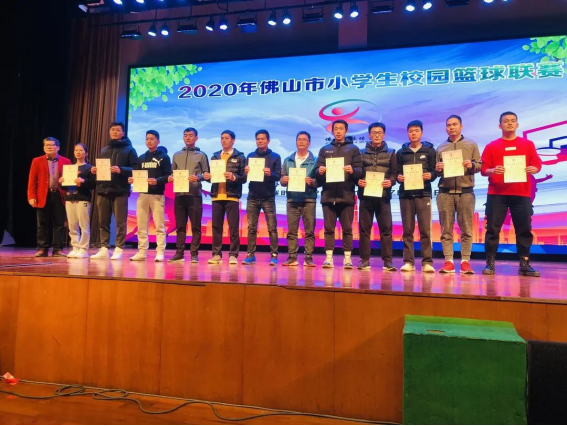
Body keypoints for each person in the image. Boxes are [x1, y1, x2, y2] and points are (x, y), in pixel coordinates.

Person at [481, 112, 543, 277]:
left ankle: (524, 263)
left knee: (524, 229)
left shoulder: (527, 144)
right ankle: (490, 263)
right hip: (497, 194)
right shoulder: (492, 146)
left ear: (517, 125)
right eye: (506, 121)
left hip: (521, 193)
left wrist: (535, 169)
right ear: (499, 125)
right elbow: (483, 169)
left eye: (513, 121)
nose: (509, 123)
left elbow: (537, 163)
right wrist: (492, 170)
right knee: (492, 229)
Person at [435, 115, 482, 275]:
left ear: (461, 126)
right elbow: (436, 172)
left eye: (454, 124)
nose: (451, 127)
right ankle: (448, 261)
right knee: (446, 229)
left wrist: (472, 165)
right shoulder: (441, 147)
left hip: (466, 192)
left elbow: (480, 165)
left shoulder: (471, 144)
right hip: (445, 192)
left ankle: (465, 261)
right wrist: (438, 169)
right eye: (449, 125)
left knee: (466, 229)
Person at [316, 119, 363, 269]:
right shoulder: (324, 150)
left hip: (346, 196)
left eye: (341, 128)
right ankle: (328, 258)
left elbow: (360, 171)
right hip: (328, 196)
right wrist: (319, 171)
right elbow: (316, 172)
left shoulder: (353, 149)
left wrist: (353, 171)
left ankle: (347, 258)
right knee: (329, 229)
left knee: (347, 229)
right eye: (335, 129)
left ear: (346, 131)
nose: (338, 131)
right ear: (332, 131)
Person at [91, 122, 138, 261]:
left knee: (120, 221)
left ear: (123, 133)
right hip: (103, 189)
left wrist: (121, 170)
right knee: (103, 221)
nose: (115, 132)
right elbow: (101, 167)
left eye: (118, 130)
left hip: (120, 190)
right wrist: (95, 170)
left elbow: (136, 169)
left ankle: (119, 248)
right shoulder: (104, 150)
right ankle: (104, 248)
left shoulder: (130, 150)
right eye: (113, 129)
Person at [397, 120, 438, 273]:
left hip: (423, 194)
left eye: (416, 130)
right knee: (407, 230)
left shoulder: (430, 151)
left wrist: (431, 175)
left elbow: (435, 171)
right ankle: (408, 262)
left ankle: (427, 262)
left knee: (425, 230)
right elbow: (396, 173)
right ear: (407, 133)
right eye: (410, 131)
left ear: (421, 132)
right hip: (406, 195)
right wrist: (399, 178)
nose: (413, 133)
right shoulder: (401, 152)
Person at [357, 123, 398, 272]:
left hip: (383, 196)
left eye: (379, 132)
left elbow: (395, 173)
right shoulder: (361, 153)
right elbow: (357, 172)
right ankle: (364, 260)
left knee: (386, 229)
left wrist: (391, 181)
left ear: (384, 134)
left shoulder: (391, 152)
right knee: (364, 230)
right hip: (365, 196)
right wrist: (358, 181)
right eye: (374, 133)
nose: (376, 135)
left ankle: (388, 261)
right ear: (369, 135)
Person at [129, 130, 172, 263]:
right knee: (141, 225)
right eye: (147, 139)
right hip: (142, 195)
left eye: (152, 139)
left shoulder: (164, 157)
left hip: (157, 195)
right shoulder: (141, 157)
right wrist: (132, 180)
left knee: (159, 226)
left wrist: (158, 181)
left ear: (158, 141)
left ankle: (160, 251)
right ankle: (142, 251)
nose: (149, 141)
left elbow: (168, 176)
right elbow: (137, 174)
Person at [168, 128, 210, 263]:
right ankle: (179, 253)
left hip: (194, 195)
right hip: (179, 195)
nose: (187, 137)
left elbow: (207, 174)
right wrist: (170, 177)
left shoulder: (201, 155)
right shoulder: (176, 155)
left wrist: (198, 178)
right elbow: (172, 172)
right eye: (185, 135)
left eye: (190, 135)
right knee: (180, 226)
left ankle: (194, 254)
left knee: (196, 226)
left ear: (196, 138)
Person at [242, 130, 282, 266]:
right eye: (258, 139)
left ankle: (274, 255)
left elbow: (279, 176)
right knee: (251, 228)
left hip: (268, 197)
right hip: (252, 196)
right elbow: (244, 178)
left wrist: (271, 174)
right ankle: (250, 255)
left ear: (268, 141)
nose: (260, 141)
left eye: (263, 139)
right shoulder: (250, 156)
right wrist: (245, 172)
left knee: (272, 228)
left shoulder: (275, 157)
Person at [27, 137, 72, 257]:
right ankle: (42, 248)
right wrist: (31, 196)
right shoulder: (37, 161)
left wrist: (66, 181)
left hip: (59, 195)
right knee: (42, 223)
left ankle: (58, 249)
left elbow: (69, 180)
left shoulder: (66, 161)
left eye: (51, 145)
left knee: (59, 223)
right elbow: (32, 180)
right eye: (46, 145)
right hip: (43, 195)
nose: (49, 147)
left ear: (58, 147)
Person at [208, 131, 247, 265]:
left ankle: (233, 255)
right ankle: (216, 254)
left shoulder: (240, 157)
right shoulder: (215, 156)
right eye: (222, 138)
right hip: (216, 196)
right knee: (216, 227)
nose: (223, 140)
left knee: (233, 227)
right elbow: (211, 177)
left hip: (232, 196)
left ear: (233, 140)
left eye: (226, 138)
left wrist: (234, 177)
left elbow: (244, 178)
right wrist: (207, 177)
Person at [280, 131, 318, 267]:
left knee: (309, 231)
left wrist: (312, 182)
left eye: (304, 139)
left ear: (309, 143)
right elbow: (282, 179)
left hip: (309, 199)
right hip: (292, 199)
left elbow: (319, 181)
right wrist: (283, 180)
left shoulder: (315, 161)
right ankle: (292, 257)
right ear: (296, 142)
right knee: (292, 231)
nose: (301, 141)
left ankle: (308, 257)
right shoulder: (288, 160)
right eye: (299, 139)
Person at [59, 143, 96, 259]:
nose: (78, 152)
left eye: (81, 150)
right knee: (72, 224)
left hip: (82, 198)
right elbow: (65, 186)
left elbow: (93, 184)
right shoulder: (70, 168)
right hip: (70, 198)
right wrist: (62, 182)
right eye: (76, 150)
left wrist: (83, 181)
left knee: (84, 225)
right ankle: (75, 247)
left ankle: (83, 249)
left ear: (86, 153)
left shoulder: (89, 168)